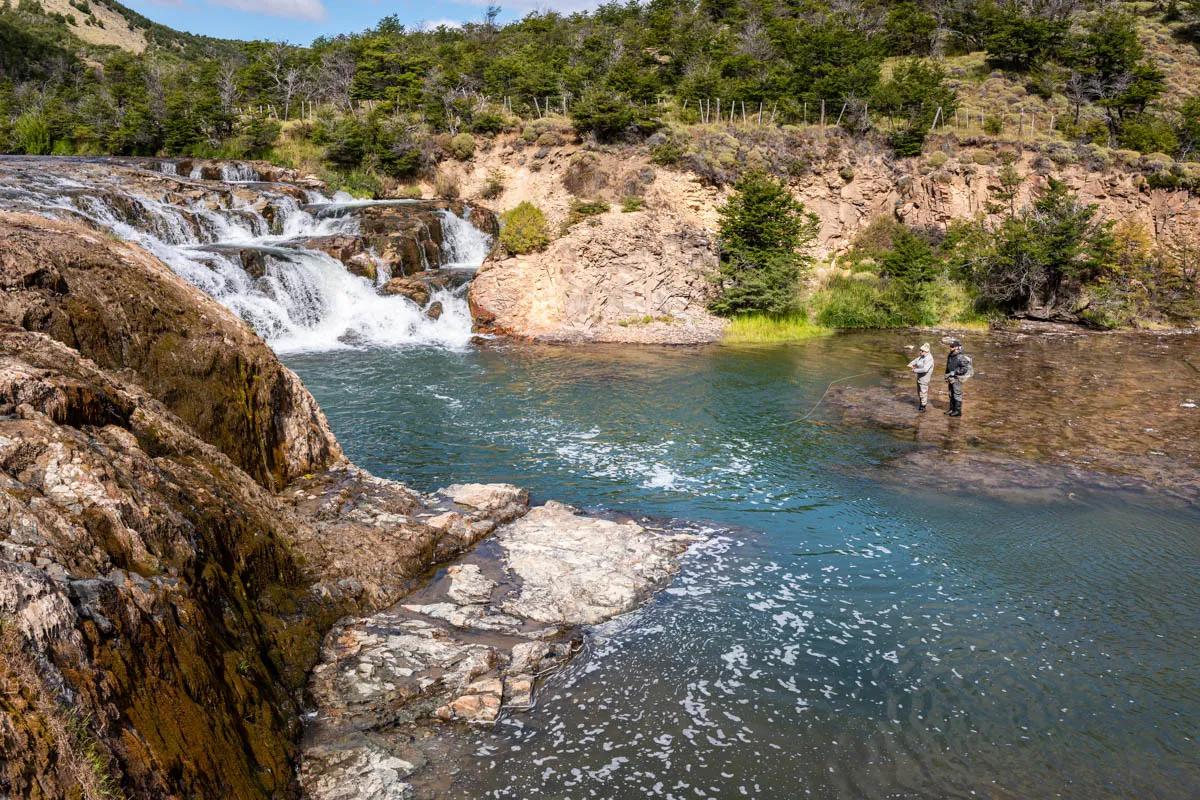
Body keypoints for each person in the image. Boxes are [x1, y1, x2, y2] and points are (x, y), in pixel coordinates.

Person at [942, 338, 973, 417]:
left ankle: (958, 411)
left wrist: (955, 372)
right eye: (950, 346)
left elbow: (964, 369)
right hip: (950, 377)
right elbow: (948, 365)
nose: (950, 347)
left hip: (957, 378)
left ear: (956, 347)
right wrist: (946, 375)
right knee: (950, 393)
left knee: (957, 394)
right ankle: (952, 409)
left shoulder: (961, 357)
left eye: (952, 346)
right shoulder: (950, 355)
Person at [907, 343, 934, 412]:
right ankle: (921, 403)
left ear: (926, 351)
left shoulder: (929, 358)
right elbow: (916, 360)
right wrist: (911, 364)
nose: (920, 352)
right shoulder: (922, 356)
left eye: (921, 351)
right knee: (919, 392)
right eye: (920, 350)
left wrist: (915, 370)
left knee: (923, 392)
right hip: (920, 377)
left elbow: (925, 369)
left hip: (925, 378)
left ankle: (923, 407)